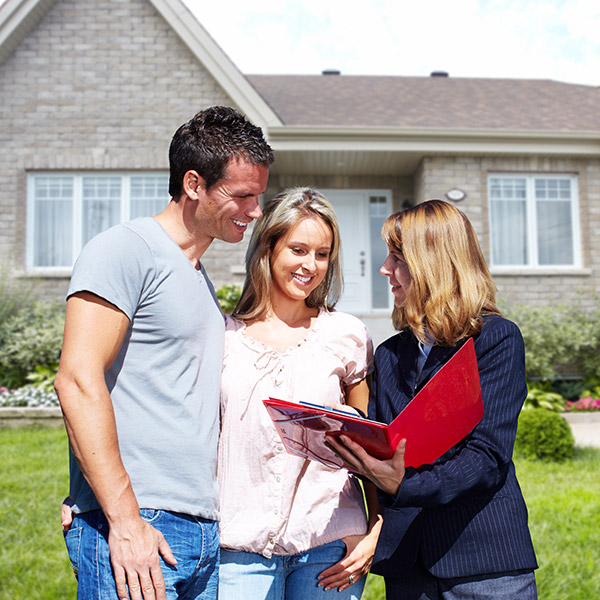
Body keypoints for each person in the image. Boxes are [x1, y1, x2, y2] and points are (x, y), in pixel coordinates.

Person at [54, 105, 273, 600]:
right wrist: (121, 517)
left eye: (258, 196)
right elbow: (77, 379)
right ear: (193, 184)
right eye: (242, 195)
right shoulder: (125, 250)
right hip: (141, 526)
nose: (256, 211)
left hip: (201, 530)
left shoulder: (195, 277)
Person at [327, 199, 538, 599]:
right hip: (408, 567)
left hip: (484, 561)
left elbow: (487, 458)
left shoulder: (494, 339)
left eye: (396, 259)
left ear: (433, 264)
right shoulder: (388, 356)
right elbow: (384, 443)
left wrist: (404, 482)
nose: (384, 270)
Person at [216, 187, 381, 600]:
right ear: (268, 248)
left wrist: (375, 529)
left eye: (322, 254)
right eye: (298, 249)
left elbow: (368, 450)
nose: (310, 265)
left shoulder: (345, 335)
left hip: (329, 545)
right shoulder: (222, 337)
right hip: (239, 549)